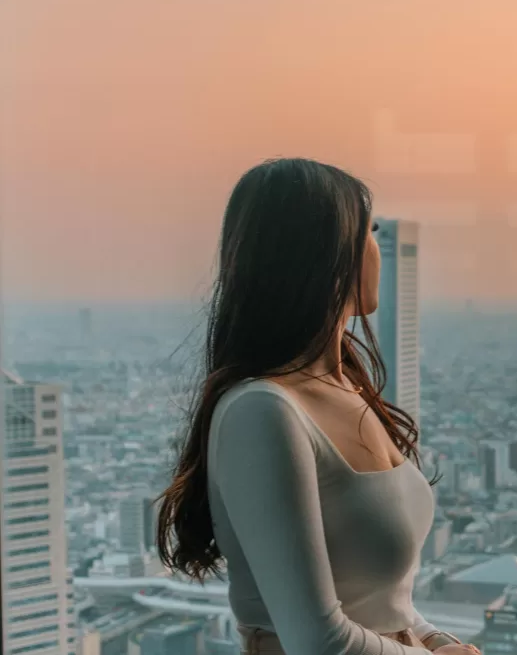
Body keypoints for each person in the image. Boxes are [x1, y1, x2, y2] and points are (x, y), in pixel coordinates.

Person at [156, 158, 480, 655]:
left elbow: (380, 597)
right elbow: (317, 640)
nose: (377, 248)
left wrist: (438, 640)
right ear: (325, 252)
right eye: (368, 229)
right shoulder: (263, 411)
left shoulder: (351, 391)